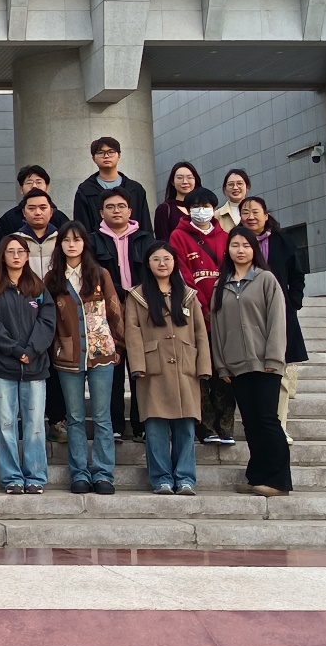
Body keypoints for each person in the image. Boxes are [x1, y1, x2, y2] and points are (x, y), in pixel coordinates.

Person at [122, 241, 211, 495]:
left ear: (174, 263)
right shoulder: (137, 296)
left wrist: (204, 366)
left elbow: (200, 332)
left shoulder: (188, 295)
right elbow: (132, 332)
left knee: (186, 426)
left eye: (167, 259)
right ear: (148, 264)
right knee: (155, 427)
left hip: (185, 367)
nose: (162, 264)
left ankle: (185, 477)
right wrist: (137, 366)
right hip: (153, 369)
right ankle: (161, 477)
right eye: (156, 259)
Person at [209, 226, 292, 497]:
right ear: (227, 250)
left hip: (266, 362)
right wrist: (221, 364)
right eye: (235, 245)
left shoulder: (266, 279)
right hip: (236, 365)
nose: (240, 250)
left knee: (267, 420)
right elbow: (217, 328)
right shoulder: (221, 285)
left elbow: (277, 321)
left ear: (254, 249)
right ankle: (257, 476)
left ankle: (278, 481)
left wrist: (274, 357)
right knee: (250, 422)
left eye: (246, 245)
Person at [46, 222, 124, 495]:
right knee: (75, 417)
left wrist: (119, 345)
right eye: (66, 240)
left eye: (77, 239)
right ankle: (79, 472)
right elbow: (48, 318)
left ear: (85, 244)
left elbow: (114, 311)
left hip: (101, 352)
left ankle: (103, 474)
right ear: (60, 245)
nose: (72, 244)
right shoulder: (53, 278)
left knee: (102, 417)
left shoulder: (100, 274)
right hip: (67, 355)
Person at [0, 235, 55, 495]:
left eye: (20, 251)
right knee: (5, 424)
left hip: (35, 366)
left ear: (26, 256)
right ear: (2, 256)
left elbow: (48, 322)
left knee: (34, 424)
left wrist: (31, 350)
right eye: (10, 251)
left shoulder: (39, 288)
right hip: (3, 366)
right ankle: (11, 476)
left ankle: (35, 475)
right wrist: (15, 350)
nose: (15, 256)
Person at [239, 196, 307, 444]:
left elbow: (297, 275)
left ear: (266, 215)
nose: (250, 216)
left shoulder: (282, 241)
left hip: (281, 314)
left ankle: (279, 425)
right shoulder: (236, 242)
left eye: (255, 211)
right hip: (247, 315)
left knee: (281, 370)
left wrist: (293, 302)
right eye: (245, 212)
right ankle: (258, 422)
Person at [170, 186, 235, 446]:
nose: (201, 211)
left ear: (214, 208)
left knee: (225, 370)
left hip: (226, 313)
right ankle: (205, 426)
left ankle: (226, 425)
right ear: (188, 210)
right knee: (202, 370)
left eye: (206, 206)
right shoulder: (178, 236)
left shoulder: (226, 236)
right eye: (196, 206)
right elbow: (183, 274)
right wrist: (204, 308)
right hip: (198, 313)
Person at [88, 188, 154, 442]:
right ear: (101, 212)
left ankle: (142, 424)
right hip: (107, 310)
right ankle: (114, 425)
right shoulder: (93, 241)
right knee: (112, 369)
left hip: (141, 308)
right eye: (110, 207)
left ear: (130, 211)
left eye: (121, 206)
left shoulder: (145, 239)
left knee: (140, 368)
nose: (116, 211)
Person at [13, 188, 64, 443]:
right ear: (23, 212)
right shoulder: (16, 241)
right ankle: (27, 422)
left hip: (60, 311)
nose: (37, 212)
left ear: (51, 211)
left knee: (56, 367)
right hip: (26, 311)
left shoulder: (62, 239)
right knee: (28, 365)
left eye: (43, 207)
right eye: (31, 208)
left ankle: (57, 421)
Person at [72, 136, 153, 235]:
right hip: (96, 243)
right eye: (100, 153)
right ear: (93, 158)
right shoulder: (85, 190)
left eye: (111, 152)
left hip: (133, 242)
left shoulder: (135, 189)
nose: (106, 156)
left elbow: (145, 223)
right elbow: (82, 227)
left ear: (119, 155)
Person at [0, 165, 70, 244]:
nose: (34, 186)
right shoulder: (9, 219)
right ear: (21, 189)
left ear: (47, 187)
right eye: (29, 183)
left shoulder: (59, 218)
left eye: (39, 182)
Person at [154, 161, 202, 242]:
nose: (185, 181)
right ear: (172, 182)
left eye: (189, 177)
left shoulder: (204, 207)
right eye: (180, 178)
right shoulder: (164, 209)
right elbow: (162, 242)